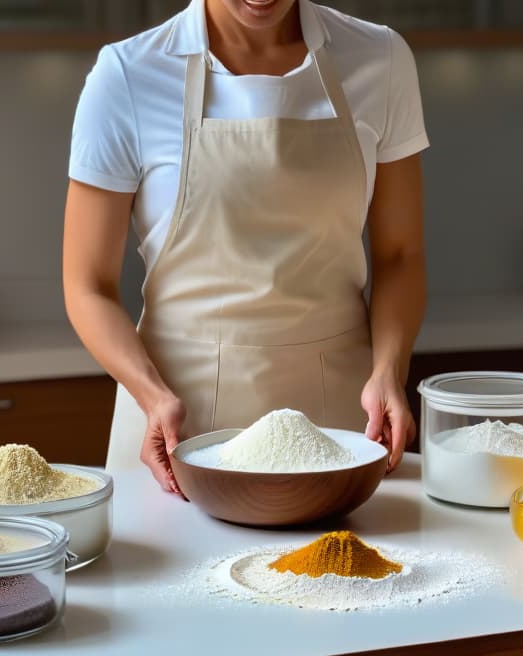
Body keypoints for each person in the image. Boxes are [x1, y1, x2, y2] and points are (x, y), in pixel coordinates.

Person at [63, 0, 428, 495]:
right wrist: (153, 397)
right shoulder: (128, 74)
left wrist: (389, 370)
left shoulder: (380, 59)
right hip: (176, 425)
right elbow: (87, 285)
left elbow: (400, 255)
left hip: (342, 426)